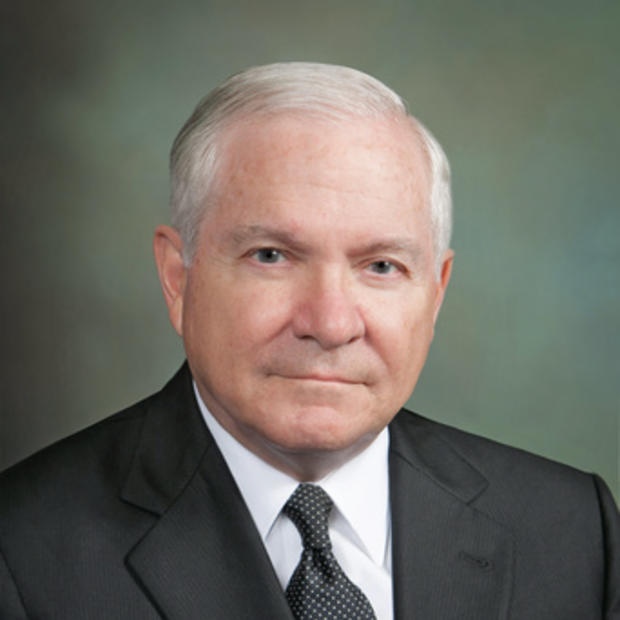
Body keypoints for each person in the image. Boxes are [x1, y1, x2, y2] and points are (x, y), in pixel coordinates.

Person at [0, 63, 618, 620]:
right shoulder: (22, 551)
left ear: (435, 293)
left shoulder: (572, 530)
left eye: (381, 267)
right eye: (271, 256)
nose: (329, 323)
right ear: (177, 278)